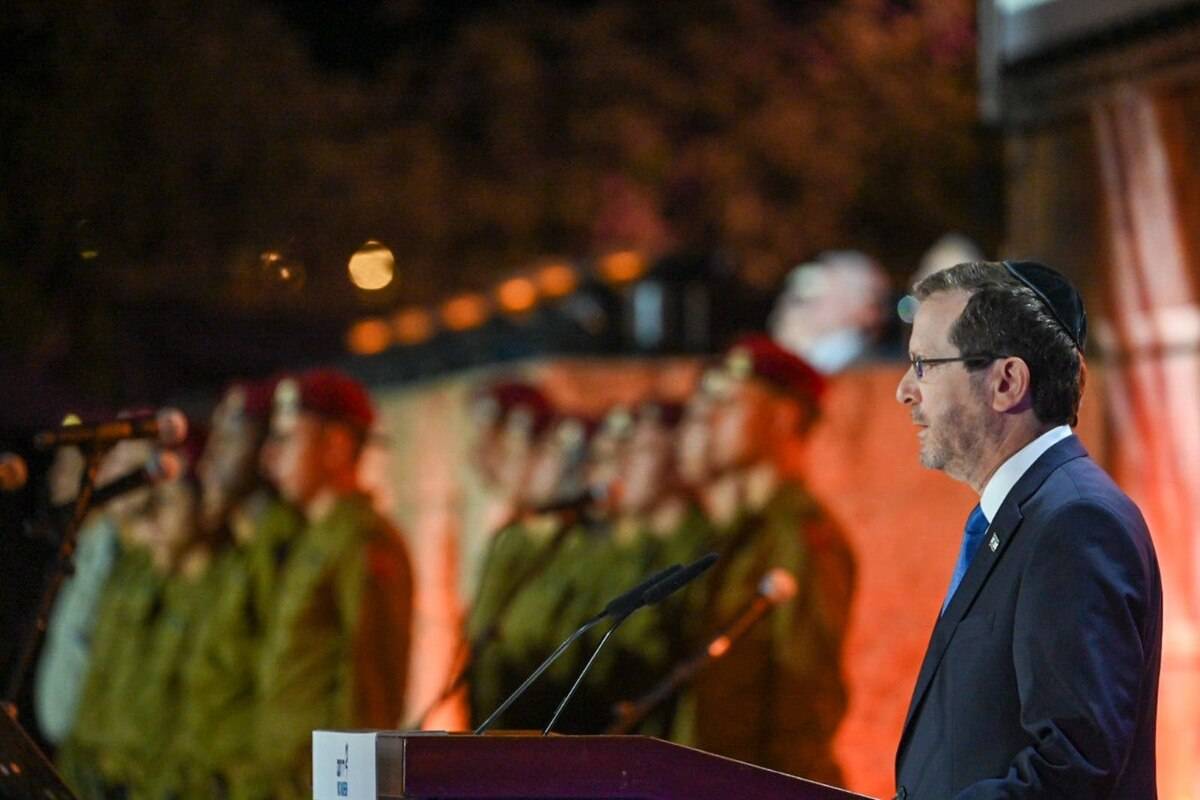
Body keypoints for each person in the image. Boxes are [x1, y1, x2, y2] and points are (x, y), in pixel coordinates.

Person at [893, 260, 1161, 799]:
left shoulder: (1075, 522)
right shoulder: (1034, 513)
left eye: (923, 364)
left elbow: (1074, 763)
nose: (904, 391)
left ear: (1006, 381)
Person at [678, 335, 855, 784]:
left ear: (782, 416)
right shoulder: (740, 532)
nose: (712, 418)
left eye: (731, 404)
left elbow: (803, 698)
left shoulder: (800, 536)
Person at [253, 369, 413, 799]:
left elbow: (370, 690)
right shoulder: (311, 536)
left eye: (288, 439)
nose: (270, 456)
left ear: (337, 446)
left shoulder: (364, 540)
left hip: (322, 785)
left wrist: (349, 788)